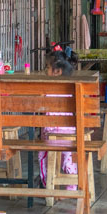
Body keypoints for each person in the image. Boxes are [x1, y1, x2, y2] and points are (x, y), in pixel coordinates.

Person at [39, 49, 80, 190]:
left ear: (57, 72)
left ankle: (48, 185)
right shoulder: (71, 89)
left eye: (47, 68)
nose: (45, 71)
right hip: (71, 134)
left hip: (50, 135)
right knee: (68, 157)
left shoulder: (46, 90)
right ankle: (72, 184)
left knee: (42, 154)